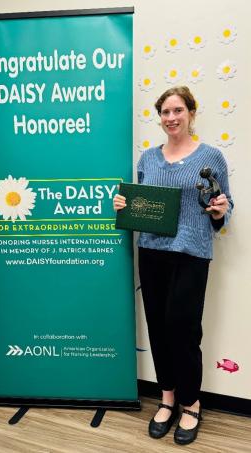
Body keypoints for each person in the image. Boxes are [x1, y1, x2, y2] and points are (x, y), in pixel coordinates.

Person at [113, 86, 233, 445]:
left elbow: (225, 206)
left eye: (178, 110)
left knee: (184, 331)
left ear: (191, 113)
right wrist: (124, 204)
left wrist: (220, 210)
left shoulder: (211, 157)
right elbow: (142, 204)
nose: (171, 118)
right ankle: (166, 399)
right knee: (159, 330)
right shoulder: (148, 158)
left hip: (191, 254)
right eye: (165, 112)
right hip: (151, 253)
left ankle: (191, 403)